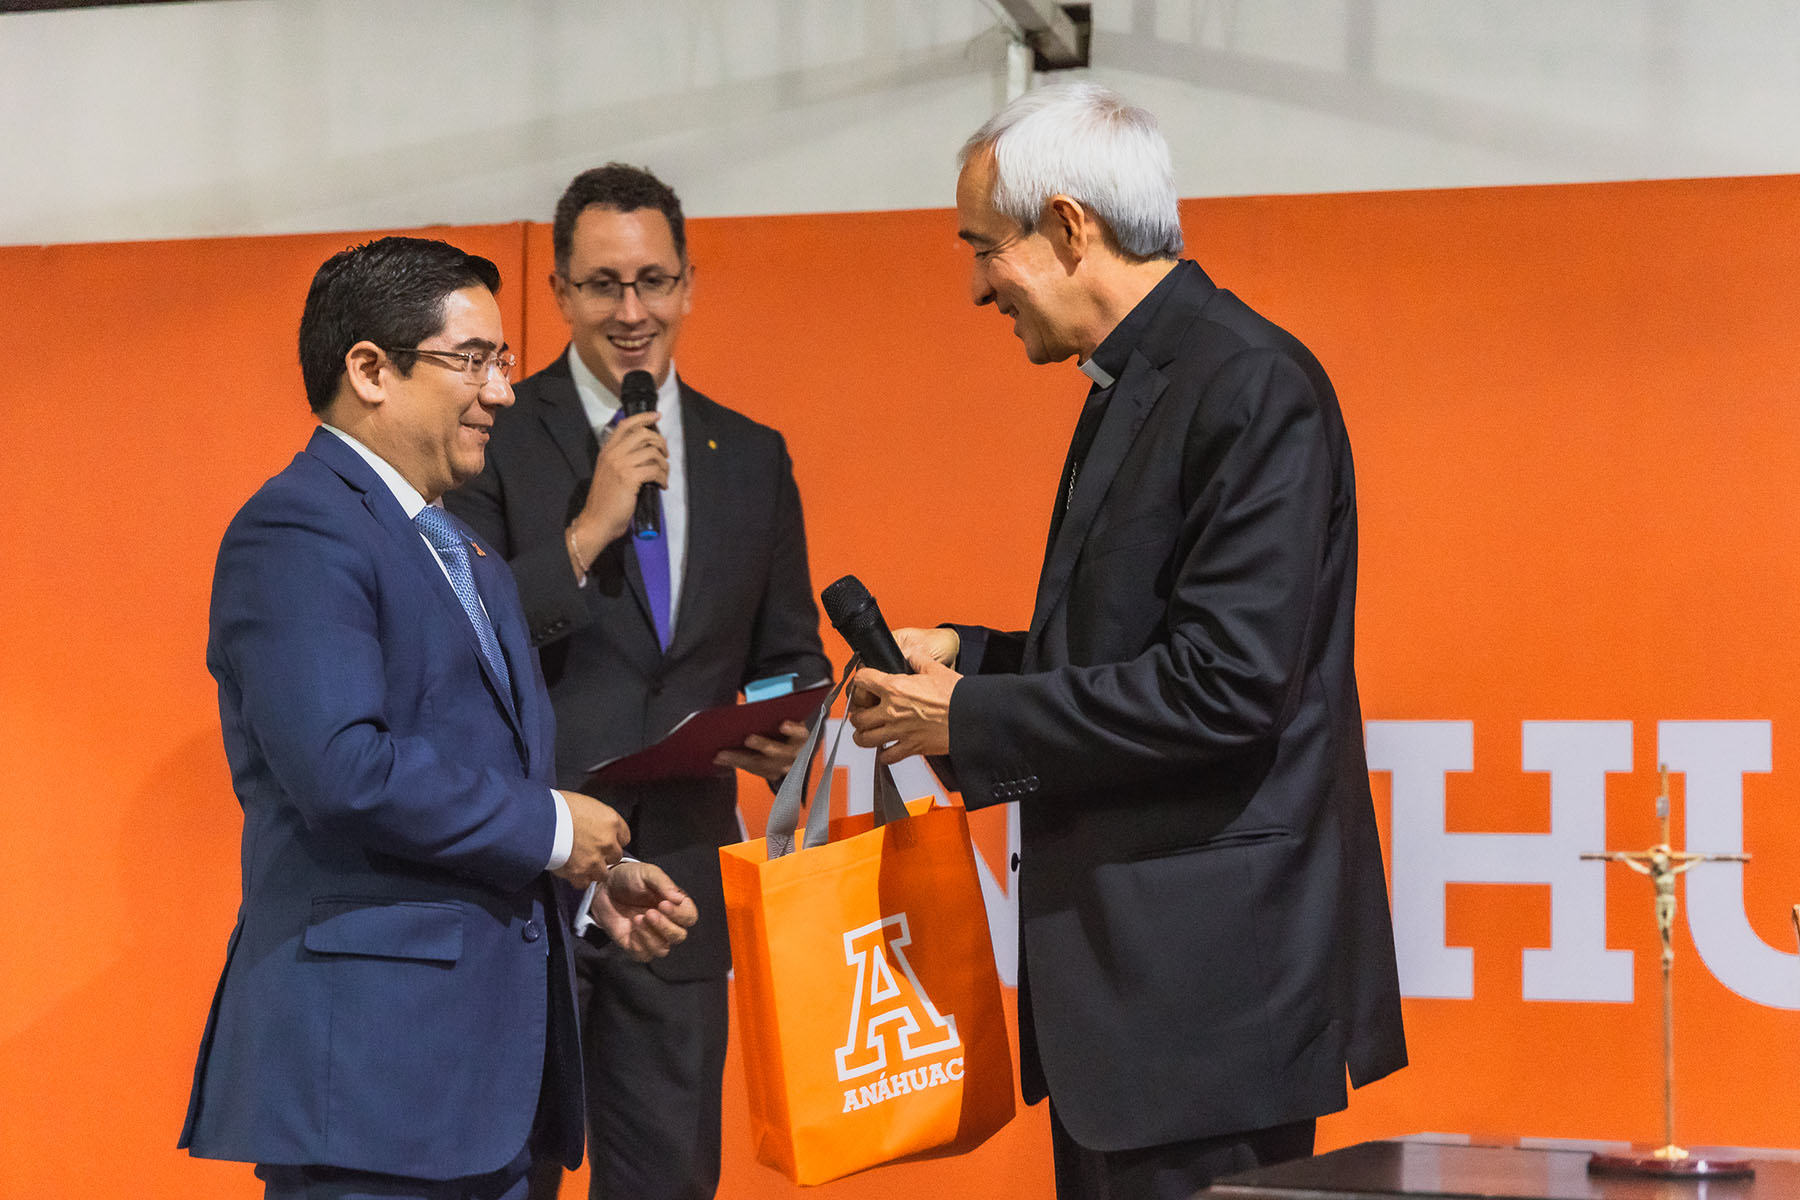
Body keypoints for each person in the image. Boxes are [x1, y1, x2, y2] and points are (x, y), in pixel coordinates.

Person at [847, 83, 1408, 1200]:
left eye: (982, 247)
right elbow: (1118, 652)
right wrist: (970, 657)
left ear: (1067, 228)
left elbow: (1224, 687)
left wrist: (963, 716)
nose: (973, 288)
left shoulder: (1248, 384)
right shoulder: (1142, 381)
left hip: (1205, 1004)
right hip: (1136, 1004)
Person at [180, 236, 697, 1200]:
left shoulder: (468, 554)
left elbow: (481, 781)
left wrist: (586, 875)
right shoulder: (297, 527)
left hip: (496, 1092)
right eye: (473, 360)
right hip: (375, 1089)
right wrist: (552, 829)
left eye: (500, 362)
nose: (501, 391)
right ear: (370, 370)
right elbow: (343, 770)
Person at [445, 165, 829, 1200]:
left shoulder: (751, 455)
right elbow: (464, 641)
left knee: (666, 1182)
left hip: (682, 892)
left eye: (653, 281)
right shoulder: (490, 439)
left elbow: (790, 649)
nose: (631, 312)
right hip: (526, 878)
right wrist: (586, 533)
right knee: (505, 1175)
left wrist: (789, 720)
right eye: (603, 285)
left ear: (689, 286)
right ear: (562, 293)